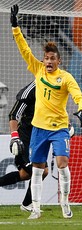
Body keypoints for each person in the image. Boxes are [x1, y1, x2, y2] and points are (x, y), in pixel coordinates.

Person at [10, 4, 82, 219]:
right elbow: (24, 48)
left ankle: (65, 203)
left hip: (60, 128)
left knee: (62, 164)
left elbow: (78, 95)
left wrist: (81, 110)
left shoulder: (66, 77)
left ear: (58, 60)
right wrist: (15, 26)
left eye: (53, 58)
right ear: (44, 60)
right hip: (39, 129)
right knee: (36, 169)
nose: (49, 61)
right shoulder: (38, 70)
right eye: (47, 58)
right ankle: (35, 208)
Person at [0, 81, 48, 212]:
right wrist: (14, 137)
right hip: (24, 138)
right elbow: (14, 114)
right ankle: (28, 204)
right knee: (41, 171)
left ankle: (26, 204)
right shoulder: (31, 90)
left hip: (39, 137)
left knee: (24, 175)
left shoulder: (54, 89)